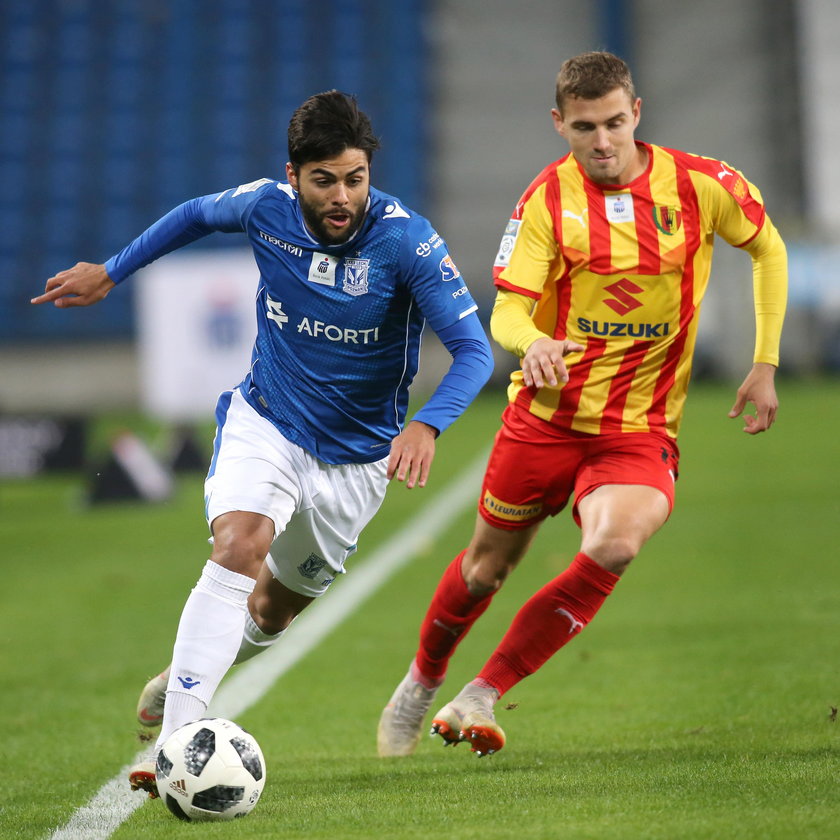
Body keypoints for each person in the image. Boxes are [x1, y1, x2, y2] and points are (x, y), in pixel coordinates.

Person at [31, 91, 494, 793]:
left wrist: (427, 424)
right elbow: (192, 215)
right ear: (293, 175)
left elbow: (472, 350)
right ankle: (180, 740)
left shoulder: (407, 242)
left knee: (274, 611)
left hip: (359, 460)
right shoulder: (263, 207)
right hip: (268, 419)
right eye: (324, 180)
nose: (342, 197)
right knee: (239, 544)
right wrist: (112, 270)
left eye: (355, 178)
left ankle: (180, 674)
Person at [376, 51, 787, 758]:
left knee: (614, 543)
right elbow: (506, 309)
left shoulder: (701, 184)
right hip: (546, 422)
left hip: (638, 428)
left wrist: (765, 361)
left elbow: (768, 249)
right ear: (559, 123)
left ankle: (482, 692)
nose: (602, 142)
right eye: (585, 127)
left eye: (616, 124)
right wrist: (532, 340)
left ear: (638, 114)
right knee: (484, 572)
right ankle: (420, 682)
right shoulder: (545, 201)